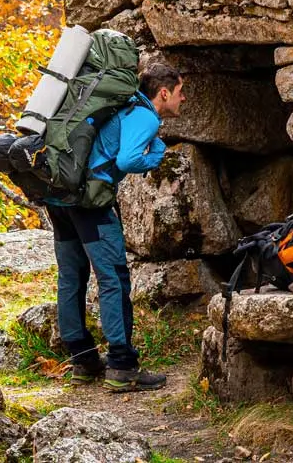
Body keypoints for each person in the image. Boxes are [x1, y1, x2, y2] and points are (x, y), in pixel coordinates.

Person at [45, 62, 185, 392]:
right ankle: (122, 366)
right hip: (90, 204)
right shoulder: (146, 115)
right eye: (181, 93)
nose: (184, 99)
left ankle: (82, 361)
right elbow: (128, 160)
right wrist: (158, 155)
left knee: (71, 276)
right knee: (113, 279)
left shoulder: (117, 105)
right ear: (163, 93)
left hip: (59, 197)